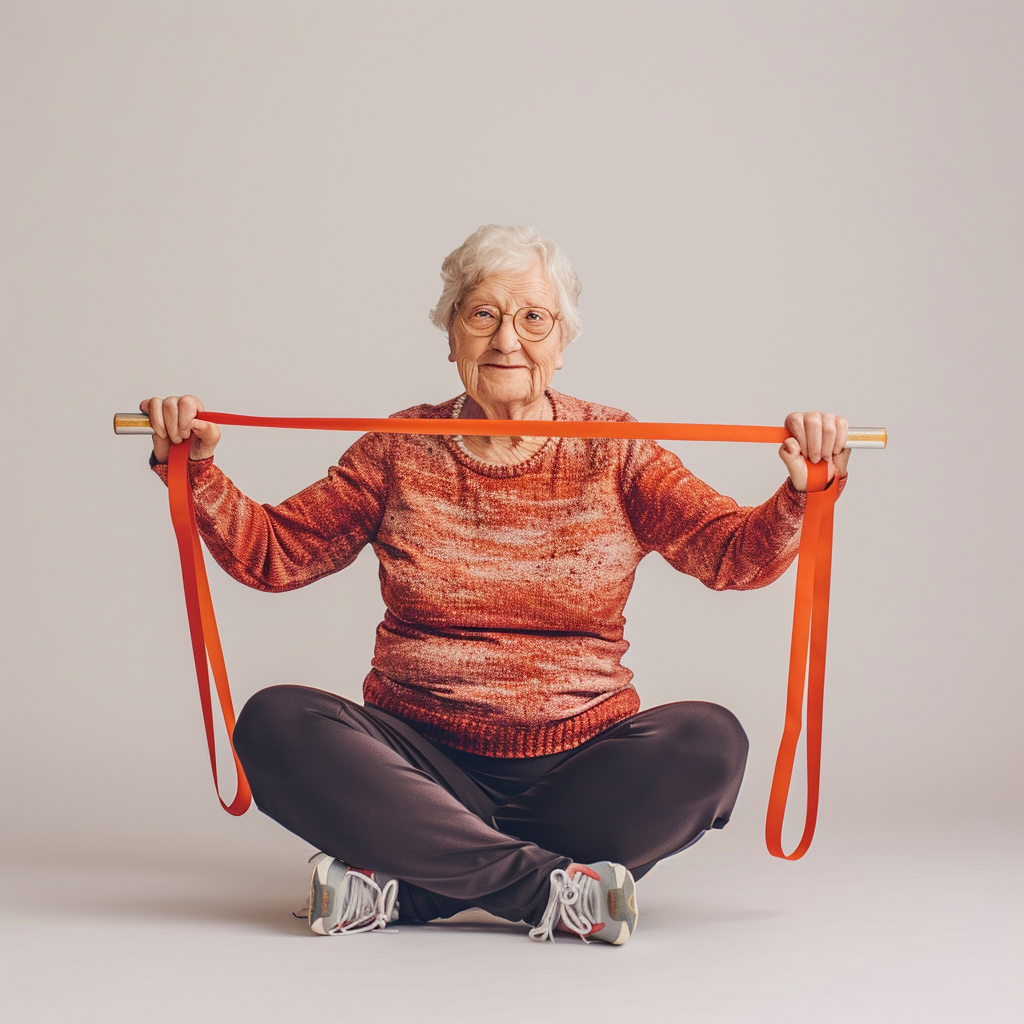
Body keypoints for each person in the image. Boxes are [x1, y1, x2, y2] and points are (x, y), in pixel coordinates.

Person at [142, 224, 849, 945]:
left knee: (710, 741)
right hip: (417, 766)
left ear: (563, 343)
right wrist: (193, 471)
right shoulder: (398, 447)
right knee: (275, 723)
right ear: (451, 338)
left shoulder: (618, 448)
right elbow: (276, 554)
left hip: (580, 771)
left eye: (533, 318)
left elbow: (732, 554)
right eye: (482, 315)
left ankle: (415, 886)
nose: (507, 339)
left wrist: (801, 496)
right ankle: (551, 891)